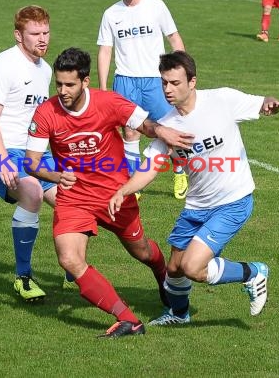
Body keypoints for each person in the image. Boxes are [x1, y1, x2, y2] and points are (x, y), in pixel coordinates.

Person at [24, 47, 194, 338]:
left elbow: (145, 125)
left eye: (69, 85)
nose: (62, 91)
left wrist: (162, 131)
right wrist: (54, 175)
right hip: (74, 198)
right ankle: (129, 320)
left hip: (115, 196)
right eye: (59, 84)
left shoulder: (109, 103)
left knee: (141, 252)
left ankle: (161, 272)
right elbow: (31, 162)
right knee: (69, 259)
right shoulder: (46, 113)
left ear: (85, 81)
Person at [109, 51, 279, 325]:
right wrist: (123, 191)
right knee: (174, 269)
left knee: (192, 267)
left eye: (175, 82)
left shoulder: (222, 100)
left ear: (192, 82)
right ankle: (179, 315)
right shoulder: (167, 126)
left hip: (233, 200)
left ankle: (254, 273)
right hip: (197, 206)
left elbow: (261, 103)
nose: (168, 89)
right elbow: (150, 169)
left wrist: (269, 104)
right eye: (164, 82)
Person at [0, 5, 58, 302]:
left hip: (31, 150)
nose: (43, 39)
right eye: (35, 34)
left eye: (46, 32)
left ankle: (74, 269)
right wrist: (3, 159)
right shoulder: (4, 65)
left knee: (73, 202)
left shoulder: (45, 70)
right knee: (32, 192)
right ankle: (23, 277)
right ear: (18, 35)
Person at [97, 0, 189, 200]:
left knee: (169, 130)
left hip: (155, 81)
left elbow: (174, 38)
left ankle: (179, 171)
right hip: (126, 81)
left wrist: (183, 74)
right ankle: (132, 183)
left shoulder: (156, 6)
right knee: (130, 133)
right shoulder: (111, 14)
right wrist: (105, 89)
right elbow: (105, 51)